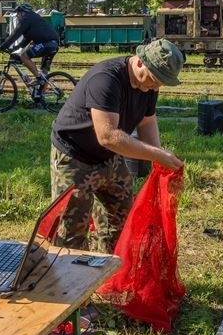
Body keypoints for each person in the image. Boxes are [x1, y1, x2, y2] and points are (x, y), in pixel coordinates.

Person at [49, 38, 185, 253]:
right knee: (71, 228)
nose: (156, 85)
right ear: (140, 62)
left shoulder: (149, 86)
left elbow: (146, 121)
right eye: (154, 78)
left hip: (110, 156)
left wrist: (159, 158)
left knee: (121, 218)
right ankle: (71, 281)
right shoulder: (106, 79)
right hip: (75, 157)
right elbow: (108, 136)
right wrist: (158, 155)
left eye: (162, 81)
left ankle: (109, 274)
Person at [1, 3, 60, 85]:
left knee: (24, 56)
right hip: (54, 44)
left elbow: (16, 33)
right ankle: (40, 95)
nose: (17, 16)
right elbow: (27, 39)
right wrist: (15, 48)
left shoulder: (26, 19)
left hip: (45, 44)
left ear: (23, 12)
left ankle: (38, 78)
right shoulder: (34, 18)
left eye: (18, 13)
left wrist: (3, 46)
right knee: (44, 73)